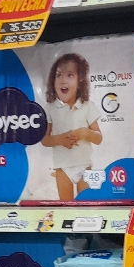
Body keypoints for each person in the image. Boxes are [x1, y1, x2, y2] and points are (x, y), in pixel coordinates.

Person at [41, 52, 102, 201]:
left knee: (86, 204)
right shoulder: (50, 108)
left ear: (80, 81)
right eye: (58, 75)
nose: (63, 80)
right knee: (65, 205)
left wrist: (84, 133)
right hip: (62, 166)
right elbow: (44, 140)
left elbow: (98, 138)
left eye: (70, 75)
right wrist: (60, 140)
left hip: (84, 165)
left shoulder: (87, 106)